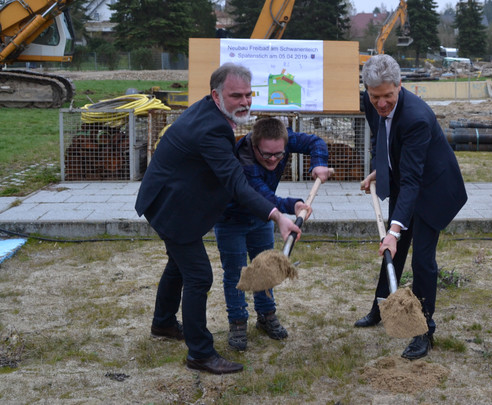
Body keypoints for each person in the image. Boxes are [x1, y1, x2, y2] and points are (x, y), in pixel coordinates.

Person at [135, 63, 301, 375]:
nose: (245, 102)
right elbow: (236, 183)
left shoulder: (209, 113)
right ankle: (200, 354)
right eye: (236, 95)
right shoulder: (213, 129)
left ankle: (163, 323)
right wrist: (277, 215)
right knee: (199, 276)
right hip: (172, 209)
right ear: (216, 95)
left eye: (248, 95)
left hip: (165, 199)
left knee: (178, 265)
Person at [355, 54, 467, 360]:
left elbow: (415, 180)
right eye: (375, 96)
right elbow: (383, 138)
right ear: (367, 90)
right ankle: (381, 307)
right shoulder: (372, 101)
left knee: (422, 261)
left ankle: (423, 330)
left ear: (400, 86)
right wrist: (383, 167)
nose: (380, 104)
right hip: (407, 179)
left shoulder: (416, 117)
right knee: (393, 249)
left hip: (434, 189)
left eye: (388, 96)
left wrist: (393, 229)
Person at [214, 116, 331, 351]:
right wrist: (294, 205)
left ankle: (266, 315)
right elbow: (263, 197)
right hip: (231, 220)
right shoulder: (243, 161)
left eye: (279, 154)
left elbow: (316, 142)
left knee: (266, 267)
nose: (274, 159)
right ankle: (237, 322)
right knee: (236, 273)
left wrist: (318, 162)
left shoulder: (282, 141)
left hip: (262, 219)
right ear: (255, 144)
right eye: (267, 155)